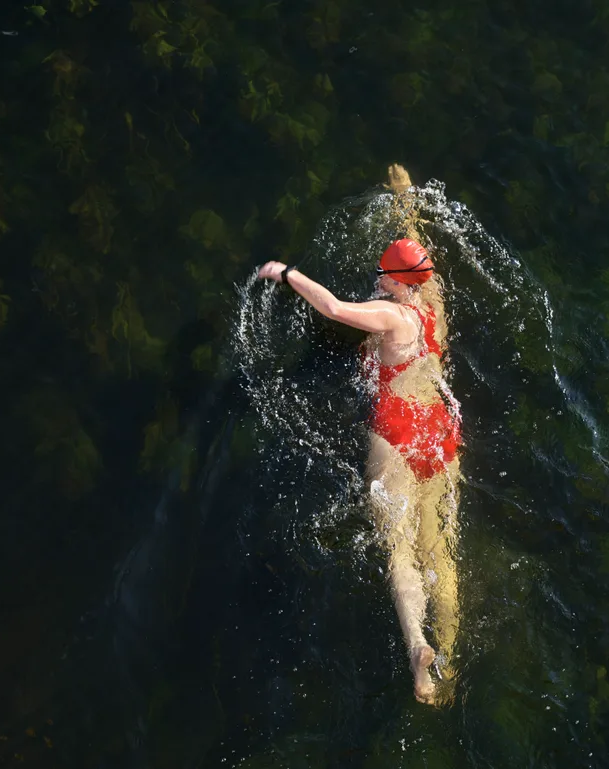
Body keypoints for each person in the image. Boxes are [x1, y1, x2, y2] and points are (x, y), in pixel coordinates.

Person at [256, 168, 462, 704]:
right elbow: (418, 251)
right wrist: (404, 197)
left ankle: (417, 646)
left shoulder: (390, 316)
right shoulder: (432, 301)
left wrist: (286, 273)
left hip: (395, 431)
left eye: (382, 273)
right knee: (441, 551)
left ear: (396, 283)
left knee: (399, 553)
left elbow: (333, 309)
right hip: (440, 431)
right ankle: (453, 654)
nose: (378, 278)